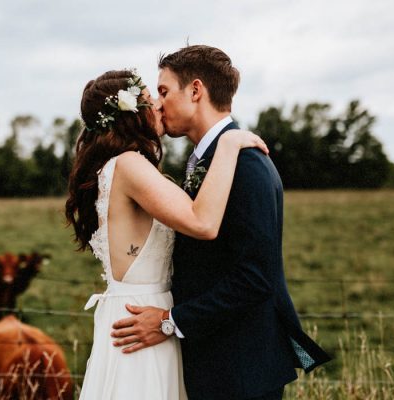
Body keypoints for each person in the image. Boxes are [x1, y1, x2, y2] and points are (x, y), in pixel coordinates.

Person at [110, 45, 331, 400]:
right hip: (214, 364)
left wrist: (171, 321)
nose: (158, 104)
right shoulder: (208, 161)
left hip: (240, 370)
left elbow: (255, 277)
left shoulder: (247, 165)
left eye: (164, 91)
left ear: (196, 91)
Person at [65, 69, 269, 400]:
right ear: (131, 114)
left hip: (138, 313)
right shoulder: (129, 164)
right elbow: (202, 222)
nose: (160, 105)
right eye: (151, 99)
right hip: (142, 318)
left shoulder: (118, 165)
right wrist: (229, 145)